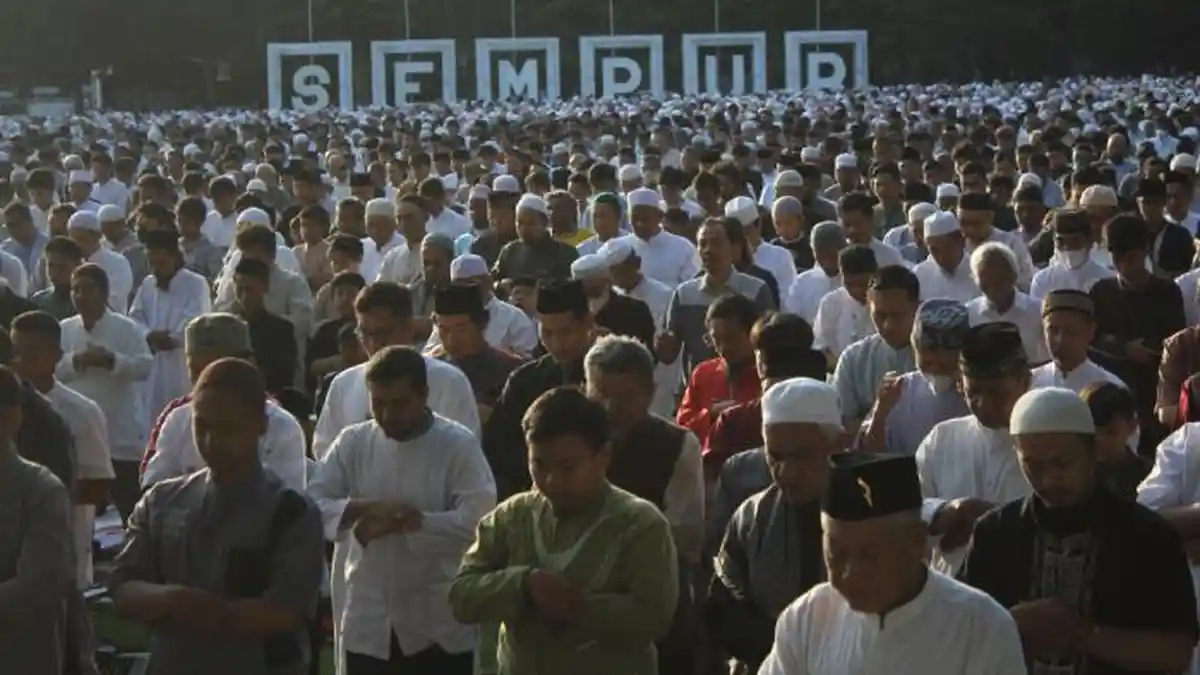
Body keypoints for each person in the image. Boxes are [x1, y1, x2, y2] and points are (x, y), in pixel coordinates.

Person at [109, 358, 326, 675]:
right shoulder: (162, 501)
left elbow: (287, 610)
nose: (211, 440)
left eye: (227, 427)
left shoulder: (291, 512)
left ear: (261, 425)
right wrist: (174, 598)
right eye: (202, 425)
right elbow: (122, 585)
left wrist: (206, 613)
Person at [962, 387, 1198, 675]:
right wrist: (1013, 622)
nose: (1049, 480)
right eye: (1033, 466)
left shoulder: (1147, 536)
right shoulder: (995, 533)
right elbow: (959, 634)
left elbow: (1175, 655)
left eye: (1062, 464)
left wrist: (1084, 635)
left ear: (1092, 452)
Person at [449, 386, 679, 675]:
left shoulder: (640, 524)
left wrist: (577, 607)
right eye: (539, 464)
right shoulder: (512, 517)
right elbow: (461, 597)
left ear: (603, 457)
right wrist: (523, 584)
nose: (552, 480)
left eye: (568, 467)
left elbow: (653, 618)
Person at [308, 346, 496, 675]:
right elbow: (313, 504)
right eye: (377, 403)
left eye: (398, 403)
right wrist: (359, 510)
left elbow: (479, 520)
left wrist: (408, 522)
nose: (387, 414)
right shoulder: (353, 442)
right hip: (370, 614)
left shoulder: (456, 444)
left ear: (424, 394)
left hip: (436, 617)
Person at [759, 451, 1026, 675]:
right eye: (837, 554)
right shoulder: (806, 618)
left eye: (868, 555)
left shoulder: (981, 627)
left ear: (917, 541)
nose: (850, 573)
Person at [706, 378, 842, 672]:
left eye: (802, 456)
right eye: (775, 457)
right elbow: (724, 609)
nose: (787, 472)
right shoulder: (751, 518)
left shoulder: (874, 513)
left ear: (836, 445)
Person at [141, 313, 308, 492]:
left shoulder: (280, 427)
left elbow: (286, 508)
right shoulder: (177, 419)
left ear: (248, 364)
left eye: (216, 368)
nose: (205, 379)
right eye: (196, 370)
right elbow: (153, 492)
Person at [916, 322, 1033, 573]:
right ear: (960, 385)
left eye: (997, 393)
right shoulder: (942, 440)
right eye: (974, 392)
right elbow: (907, 510)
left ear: (1024, 381)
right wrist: (947, 513)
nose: (985, 404)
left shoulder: (1049, 443)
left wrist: (996, 525)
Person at [11, 310, 113, 589]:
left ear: (56, 356)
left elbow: (98, 485)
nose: (20, 362)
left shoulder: (81, 412)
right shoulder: (7, 406)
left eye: (31, 352)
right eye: (15, 352)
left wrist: (41, 499)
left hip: (62, 538)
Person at [57, 263, 153, 521]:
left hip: (119, 429)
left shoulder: (126, 328)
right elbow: (52, 369)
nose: (80, 295)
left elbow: (145, 366)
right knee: (82, 507)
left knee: (128, 502)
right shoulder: (65, 329)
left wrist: (111, 360)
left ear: (103, 293)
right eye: (75, 289)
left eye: (87, 289)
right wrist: (77, 361)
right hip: (79, 431)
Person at [483, 279, 594, 499]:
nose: (557, 343)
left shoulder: (606, 378)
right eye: (548, 333)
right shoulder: (525, 381)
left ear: (587, 323)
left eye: (566, 332)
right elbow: (499, 450)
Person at [858, 299, 972, 456]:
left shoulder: (979, 392)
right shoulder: (900, 391)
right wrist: (880, 414)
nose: (936, 369)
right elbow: (870, 454)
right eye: (928, 362)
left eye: (945, 365)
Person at [130, 228, 213, 426]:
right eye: (152, 263)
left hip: (181, 366)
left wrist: (172, 338)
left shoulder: (195, 284)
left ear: (175, 258)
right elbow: (135, 317)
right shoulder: (148, 285)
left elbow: (195, 321)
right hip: (153, 366)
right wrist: (148, 335)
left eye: (162, 263)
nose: (156, 269)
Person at [833, 264, 920, 434]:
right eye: (880, 316)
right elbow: (841, 428)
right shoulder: (854, 359)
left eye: (897, 316)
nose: (887, 326)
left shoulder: (939, 358)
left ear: (917, 308)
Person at [676, 293, 763, 447]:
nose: (724, 348)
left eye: (732, 339)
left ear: (753, 334)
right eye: (717, 340)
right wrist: (711, 415)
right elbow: (681, 431)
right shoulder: (703, 373)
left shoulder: (767, 374)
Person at [429, 284, 525, 425]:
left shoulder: (512, 369)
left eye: (460, 330)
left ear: (482, 323)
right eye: (444, 330)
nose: (451, 340)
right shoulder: (429, 369)